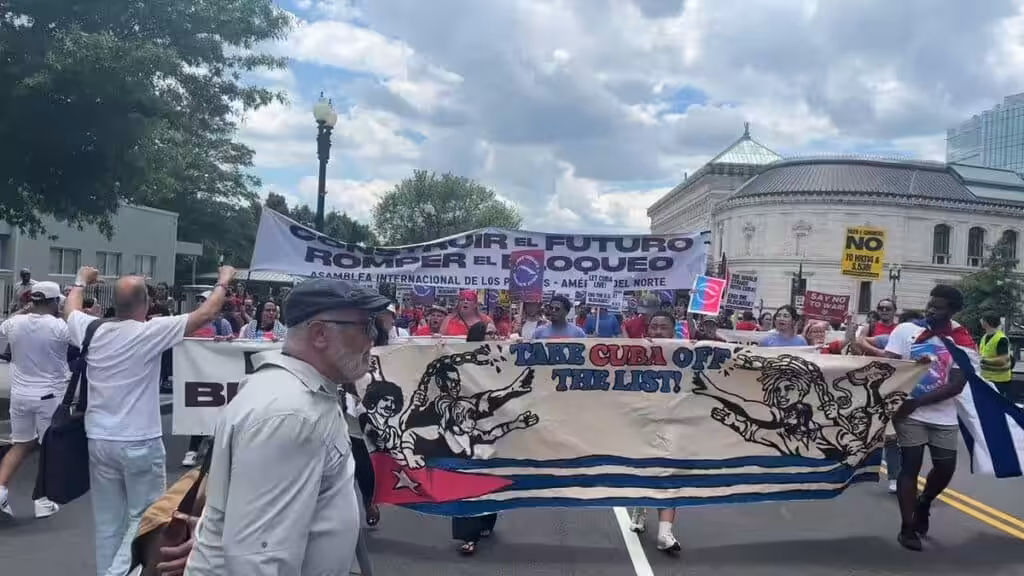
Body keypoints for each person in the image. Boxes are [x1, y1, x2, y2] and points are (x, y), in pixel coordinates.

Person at [184, 279, 390, 576]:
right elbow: (259, 561)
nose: (373, 339)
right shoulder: (292, 413)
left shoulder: (303, 396)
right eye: (366, 327)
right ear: (320, 334)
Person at [64, 265, 234, 576]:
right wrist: (223, 279)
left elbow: (71, 310)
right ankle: (120, 573)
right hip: (138, 440)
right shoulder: (150, 332)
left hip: (99, 439)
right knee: (145, 517)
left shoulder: (93, 329)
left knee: (107, 521)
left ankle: (109, 571)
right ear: (145, 305)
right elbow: (207, 313)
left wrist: (80, 281)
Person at [881, 285, 977, 551]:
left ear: (954, 311)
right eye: (930, 304)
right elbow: (888, 367)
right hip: (909, 414)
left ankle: (924, 503)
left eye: (939, 307)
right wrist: (907, 381)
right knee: (909, 467)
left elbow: (957, 384)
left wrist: (917, 402)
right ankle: (906, 527)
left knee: (945, 467)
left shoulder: (962, 338)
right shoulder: (906, 331)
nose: (931, 309)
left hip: (941, 413)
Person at [0, 282, 68, 520]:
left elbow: (4, 326)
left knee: (21, 444)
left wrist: (24, 310)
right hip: (48, 396)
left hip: (20, 396)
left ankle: (0, 491)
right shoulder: (59, 327)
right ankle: (43, 500)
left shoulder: (14, 323)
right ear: (53, 302)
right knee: (49, 447)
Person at [628, 310, 682, 553]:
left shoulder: (688, 353)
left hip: (676, 421)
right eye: (654, 327)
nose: (658, 331)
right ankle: (640, 510)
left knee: (668, 474)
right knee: (644, 470)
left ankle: (665, 533)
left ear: (674, 330)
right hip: (642, 420)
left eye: (664, 327)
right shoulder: (635, 353)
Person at [451, 320, 502, 555]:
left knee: (492, 478)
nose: (495, 337)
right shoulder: (462, 363)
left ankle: (487, 521)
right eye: (490, 334)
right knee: (467, 481)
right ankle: (468, 534)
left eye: (496, 333)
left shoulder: (503, 360)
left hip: (494, 430)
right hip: (467, 432)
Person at [979, 312, 1013, 397]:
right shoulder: (985, 337)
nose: (980, 321)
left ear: (986, 322)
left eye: (982, 319)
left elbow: (1003, 360)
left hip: (999, 380)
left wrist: (982, 360)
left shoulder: (1001, 339)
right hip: (987, 378)